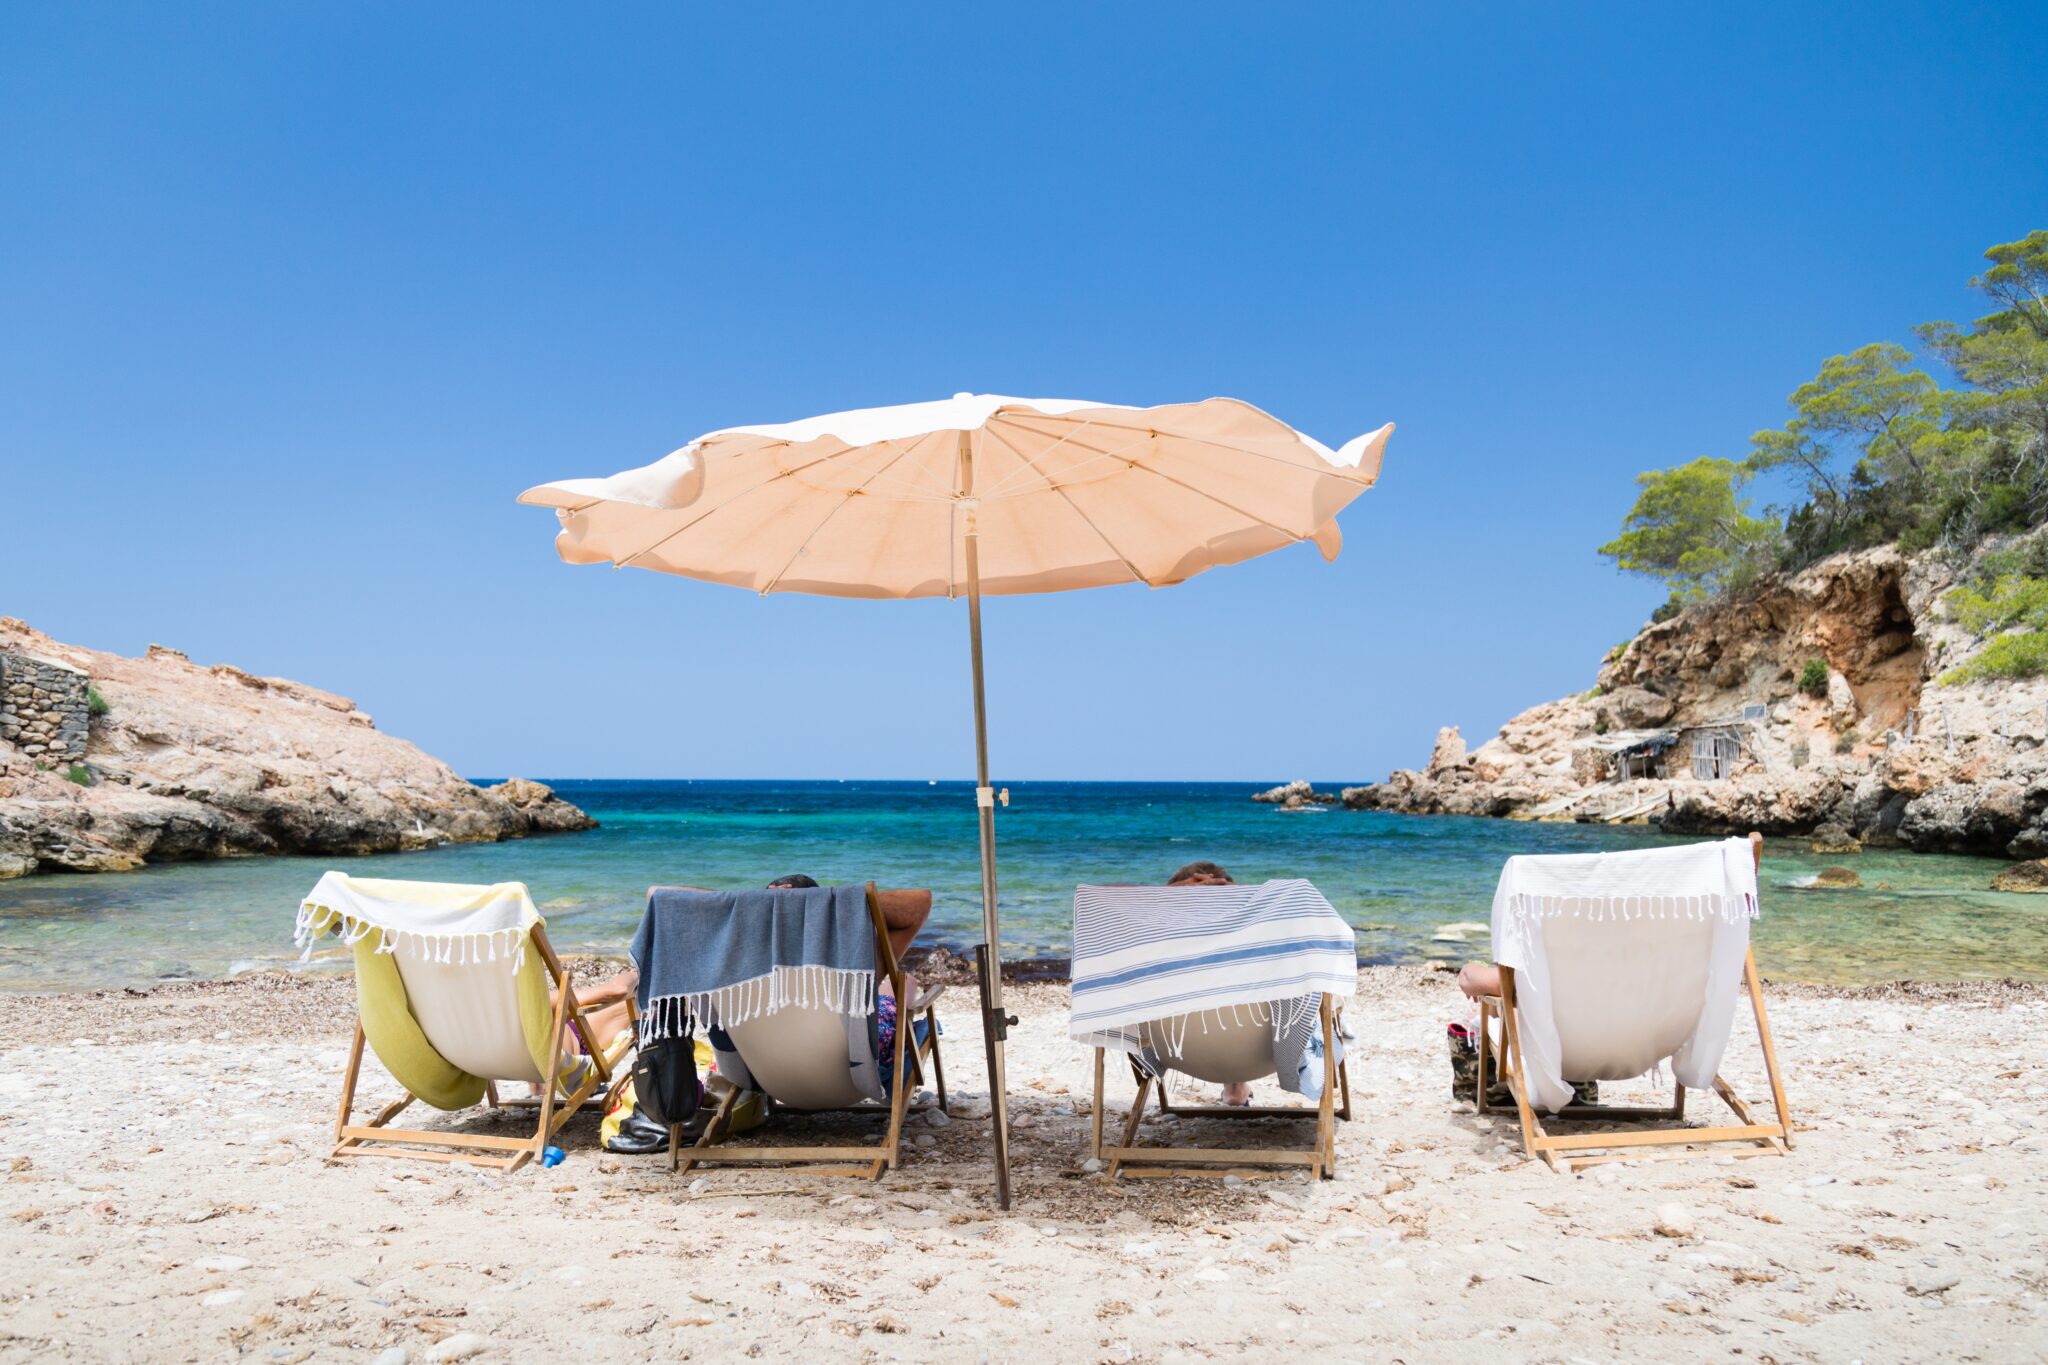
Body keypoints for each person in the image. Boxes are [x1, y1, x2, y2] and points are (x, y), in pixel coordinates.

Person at [1164, 860, 1258, 1105]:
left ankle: (1236, 1083)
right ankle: (1237, 1083)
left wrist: (1166, 897)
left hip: (1177, 1050)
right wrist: (1242, 898)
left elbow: (1101, 903)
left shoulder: (1159, 958)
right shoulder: (1255, 960)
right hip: (1259, 1051)